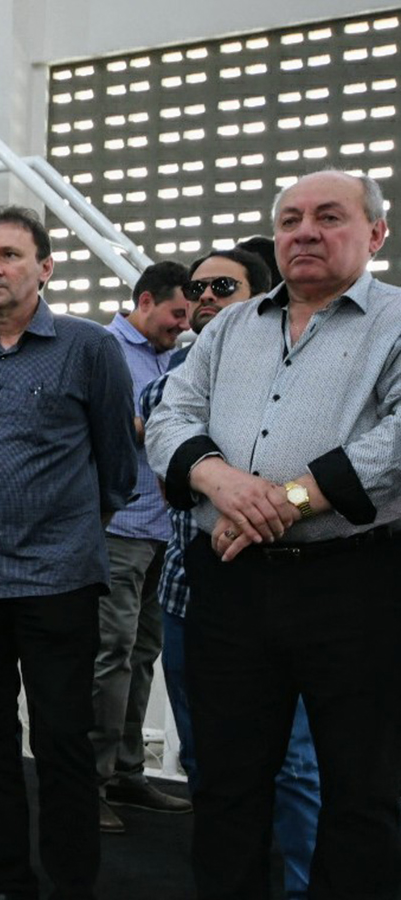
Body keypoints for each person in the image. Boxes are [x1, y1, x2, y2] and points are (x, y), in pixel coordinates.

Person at [146, 169, 400, 900]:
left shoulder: (394, 320)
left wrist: (287, 499)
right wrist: (221, 483)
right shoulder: (229, 325)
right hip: (231, 580)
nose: (305, 232)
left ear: (375, 233)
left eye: (328, 216)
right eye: (290, 220)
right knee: (226, 784)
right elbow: (171, 416)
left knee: (362, 789)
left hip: (354, 584)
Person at [0, 205, 137, 900]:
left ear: (45, 267)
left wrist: (70, 529)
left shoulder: (88, 347)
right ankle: (7, 873)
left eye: (10, 255)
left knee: (62, 741)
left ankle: (73, 877)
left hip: (57, 580)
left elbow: (118, 466)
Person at [140, 246, 320, 899]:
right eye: (197, 288)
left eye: (222, 285)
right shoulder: (177, 375)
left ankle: (302, 883)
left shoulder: (305, 368)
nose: (204, 297)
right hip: (192, 598)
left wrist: (251, 495)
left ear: (262, 297)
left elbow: (311, 463)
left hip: (292, 594)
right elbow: (168, 466)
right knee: (209, 762)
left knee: (295, 761)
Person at [93, 261, 193, 834]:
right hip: (119, 527)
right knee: (109, 656)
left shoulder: (175, 357)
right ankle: (91, 782)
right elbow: (104, 427)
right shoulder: (104, 349)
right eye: (176, 313)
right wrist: (165, 422)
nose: (182, 325)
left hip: (164, 531)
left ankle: (128, 771)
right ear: (146, 300)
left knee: (141, 655)